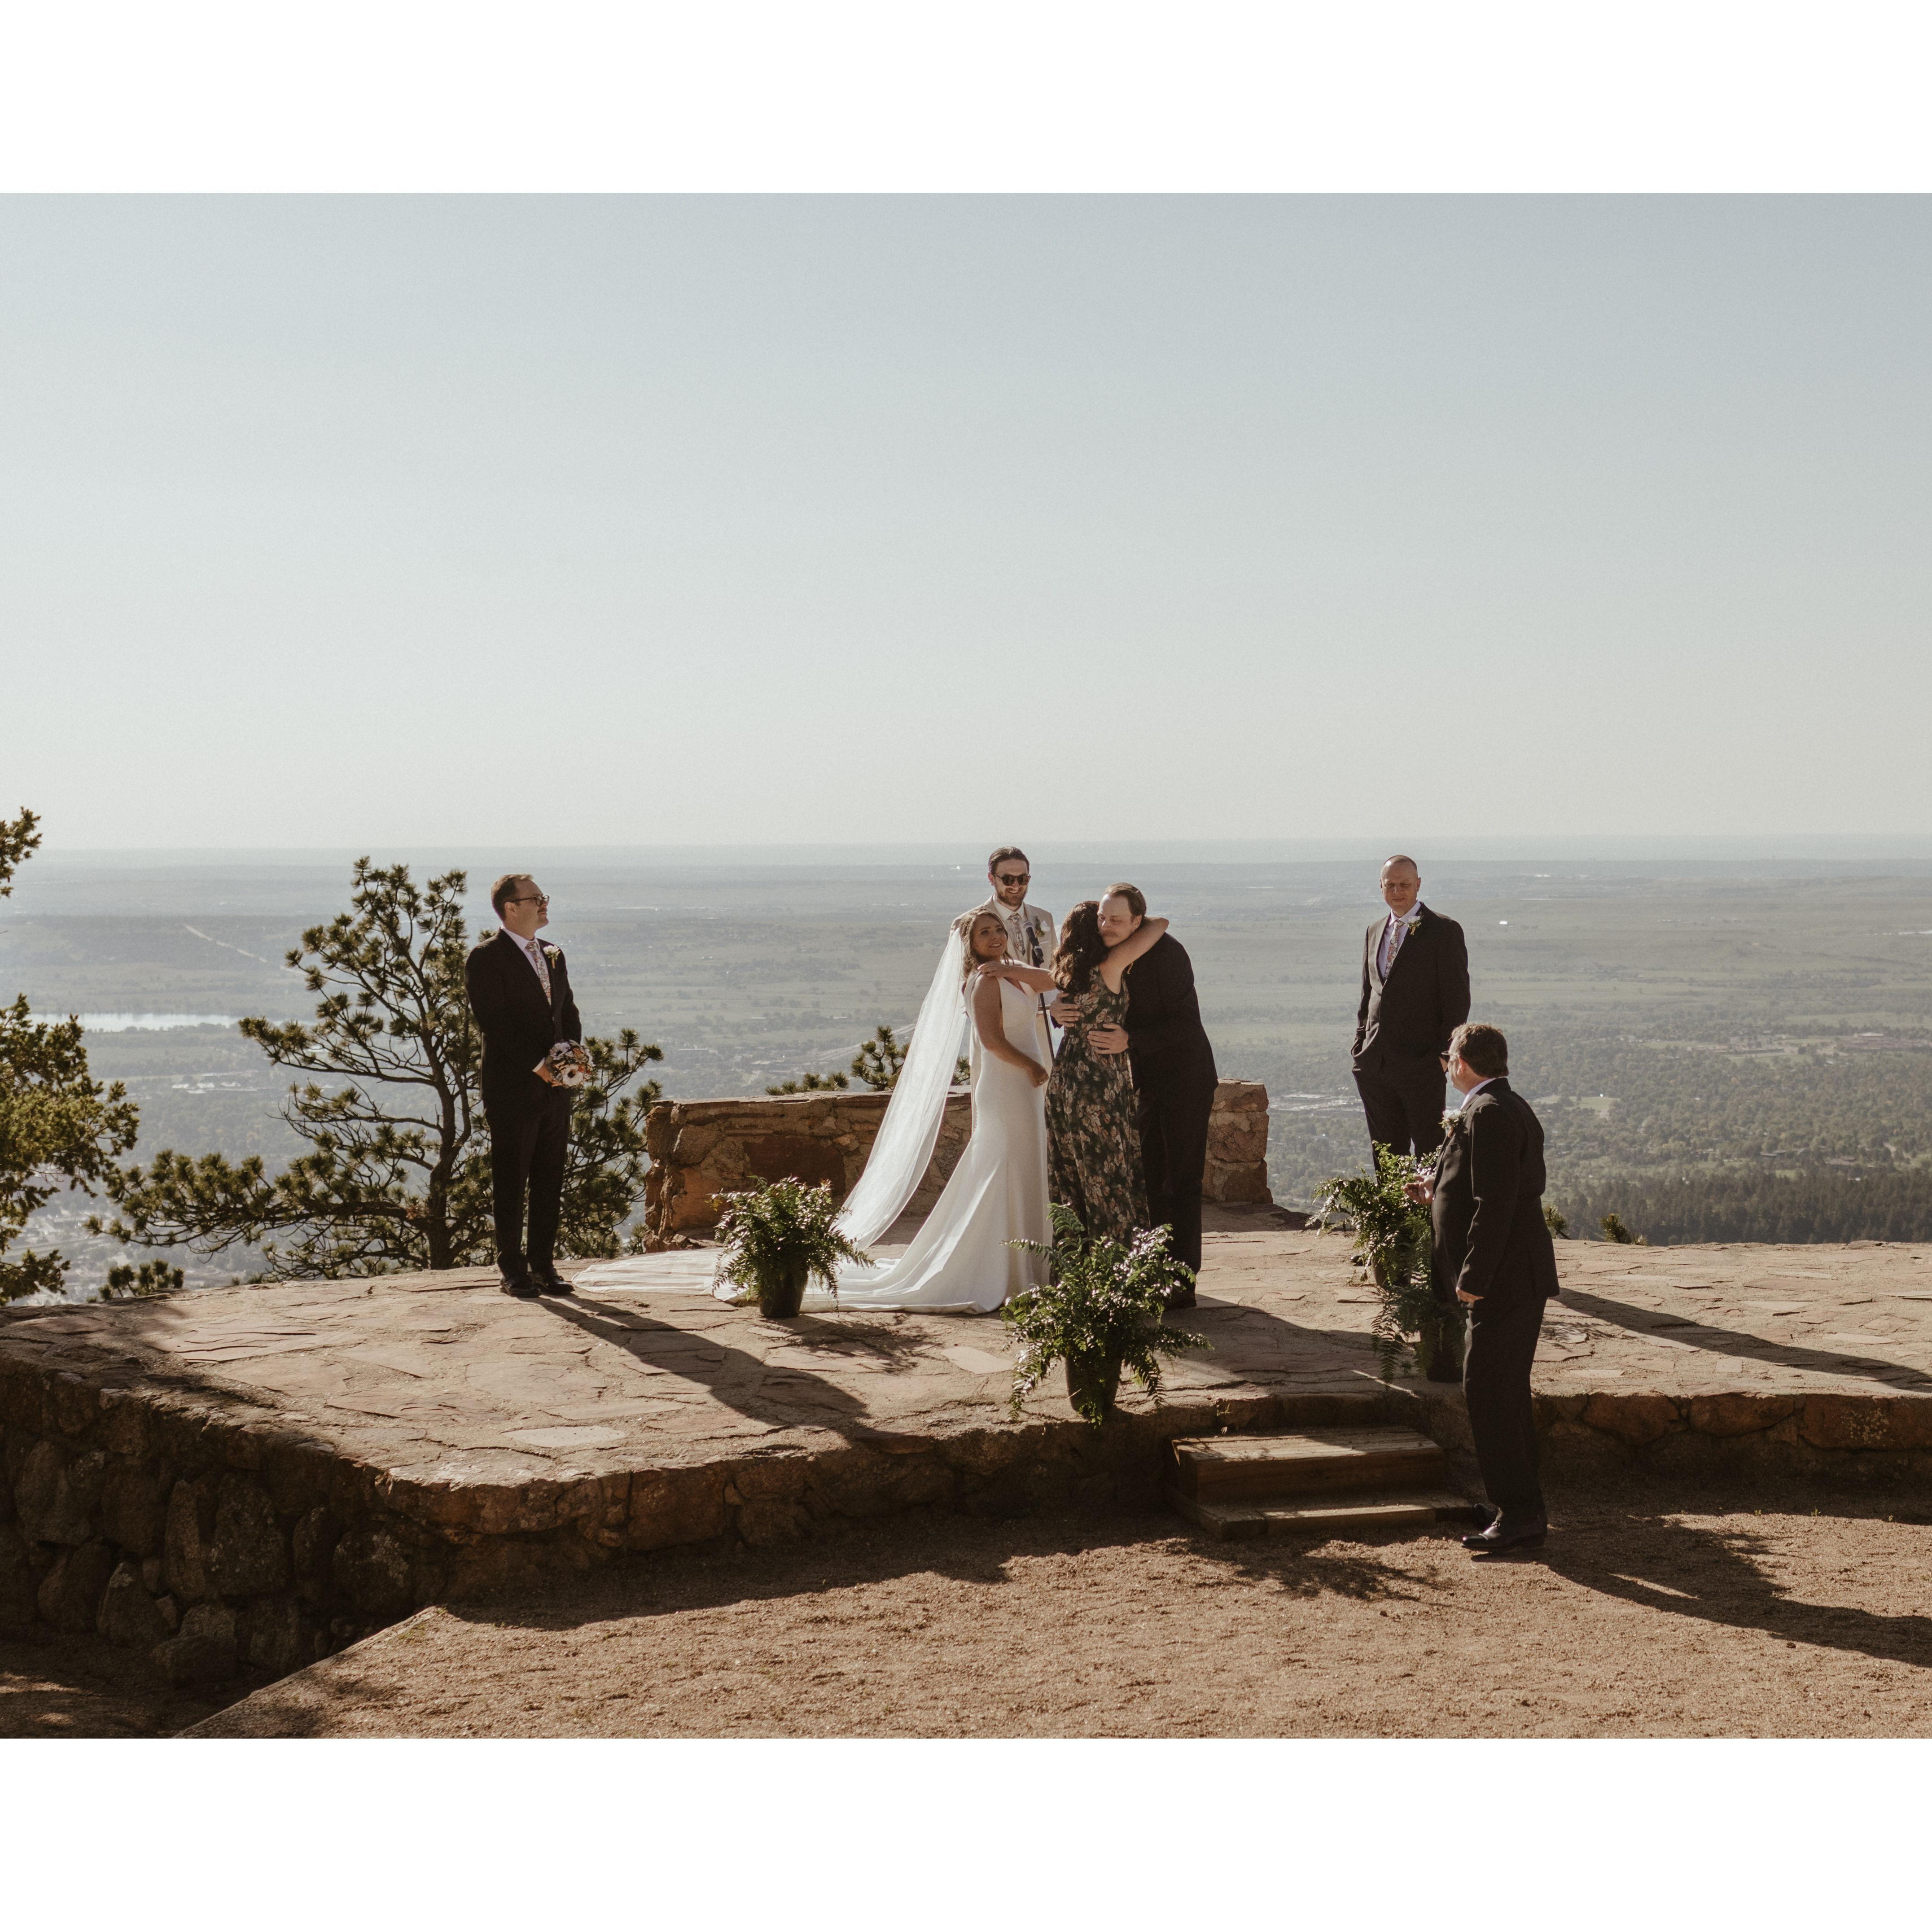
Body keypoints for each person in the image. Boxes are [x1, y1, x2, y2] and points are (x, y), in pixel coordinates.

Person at [794, 907, 1051, 1312]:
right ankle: (997, 1267)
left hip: (1025, 1086)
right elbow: (991, 1041)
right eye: (984, 932)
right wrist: (1032, 1066)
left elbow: (1053, 979)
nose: (994, 936)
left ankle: (1026, 1265)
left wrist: (1008, 968)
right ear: (970, 944)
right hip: (1007, 1082)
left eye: (998, 929)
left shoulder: (1007, 972)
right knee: (1003, 1166)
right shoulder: (983, 983)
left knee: (1024, 1164)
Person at [1407, 1022, 1560, 1557]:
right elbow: (1484, 1182)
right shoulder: (1498, 1105)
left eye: (1449, 1057)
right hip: (1512, 1276)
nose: (1446, 1065)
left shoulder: (1490, 1113)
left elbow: (1497, 1204)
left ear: (1463, 1063)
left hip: (1505, 1279)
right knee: (1502, 1392)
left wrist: (1473, 1278)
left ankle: (1519, 1515)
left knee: (1491, 1391)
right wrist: (1438, 1188)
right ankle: (1515, 1507)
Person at [981, 900, 1171, 1249]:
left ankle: (1074, 1261)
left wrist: (1005, 969)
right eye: (1101, 921)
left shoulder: (1069, 975)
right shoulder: (1109, 966)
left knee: (1069, 1174)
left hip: (1065, 1078)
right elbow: (1160, 923)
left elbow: (1044, 978)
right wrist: (1126, 922)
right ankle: (1115, 1260)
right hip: (1099, 1080)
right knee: (1106, 1174)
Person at [1080, 884, 1217, 1306]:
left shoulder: (1168, 955)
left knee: (1182, 1180)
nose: (1105, 926)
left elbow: (1186, 1024)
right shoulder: (1105, 949)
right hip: (1145, 1083)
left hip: (1184, 1080)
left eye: (1116, 919)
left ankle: (1182, 1282)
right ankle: (1152, 1272)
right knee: (1149, 1180)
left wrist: (1130, 1039)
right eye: (1102, 917)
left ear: (1138, 921)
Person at [465, 874, 583, 1298]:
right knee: (512, 1180)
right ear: (511, 908)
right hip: (513, 1088)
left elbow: (566, 1012)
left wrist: (571, 1059)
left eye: (542, 896)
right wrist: (539, 1065)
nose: (544, 903)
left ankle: (543, 1265)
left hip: (555, 1088)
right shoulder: (486, 957)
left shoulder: (553, 953)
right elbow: (494, 1022)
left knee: (550, 1177)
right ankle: (512, 1270)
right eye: (535, 898)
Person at [1352, 854, 1470, 1162]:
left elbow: (1457, 999)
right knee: (1386, 1155)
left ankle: (1429, 1199)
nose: (1397, 891)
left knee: (1429, 1153)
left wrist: (1442, 1057)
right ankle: (1392, 1199)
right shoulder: (1374, 930)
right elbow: (1368, 995)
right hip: (1374, 1065)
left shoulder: (1443, 931)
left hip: (1422, 1065)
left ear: (1418, 885)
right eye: (1390, 884)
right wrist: (1360, 1046)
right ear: (1380, 886)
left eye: (1404, 884)